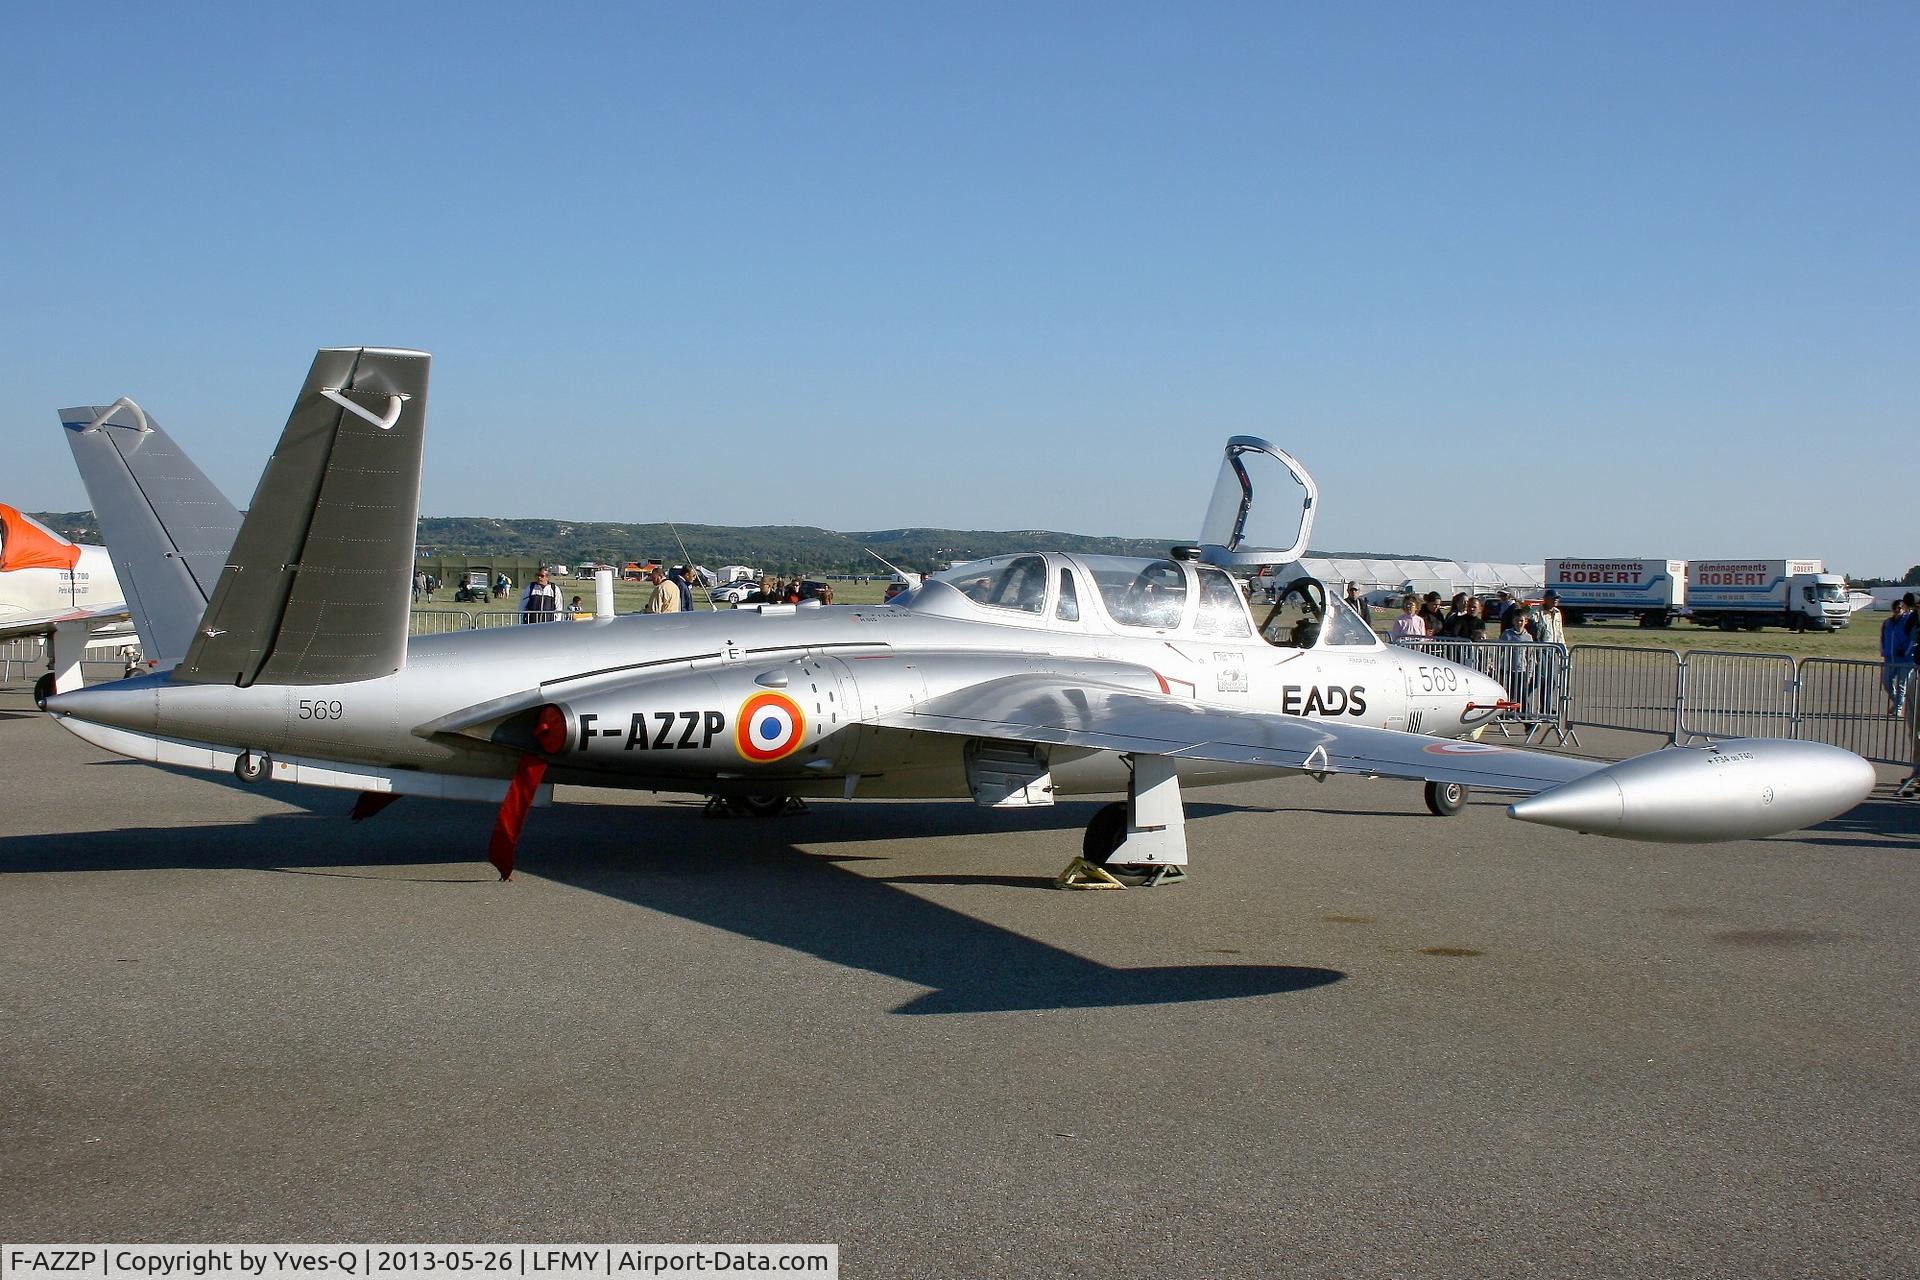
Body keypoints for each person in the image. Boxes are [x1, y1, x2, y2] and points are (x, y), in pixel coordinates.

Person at [1886, 597, 1916, 716]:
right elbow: (1885, 637)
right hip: (1891, 658)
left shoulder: (1909, 620)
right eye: (1895, 608)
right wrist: (1884, 650)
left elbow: (1912, 639)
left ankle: (1898, 708)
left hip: (1906, 659)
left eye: (1899, 608)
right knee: (1886, 681)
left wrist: (1906, 651)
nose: (1897, 610)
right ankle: (1897, 702)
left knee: (1901, 684)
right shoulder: (1889, 622)